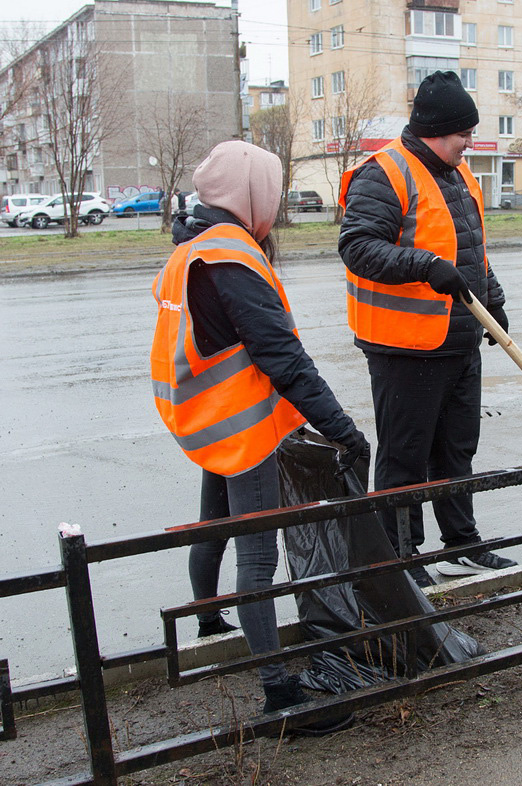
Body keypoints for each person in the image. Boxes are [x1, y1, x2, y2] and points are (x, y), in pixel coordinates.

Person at [151, 140, 369, 733]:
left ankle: (207, 625)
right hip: (241, 424)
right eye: (270, 190)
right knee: (257, 555)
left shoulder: (194, 243)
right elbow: (285, 360)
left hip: (205, 416)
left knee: (214, 523)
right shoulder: (231, 256)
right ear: (250, 193)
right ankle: (279, 697)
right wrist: (345, 431)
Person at [338, 70, 517, 586]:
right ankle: (400, 558)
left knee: (457, 449)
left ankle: (462, 543)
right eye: (464, 135)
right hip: (404, 345)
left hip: (458, 339)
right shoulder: (384, 174)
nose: (469, 143)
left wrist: (493, 300)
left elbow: (470, 249)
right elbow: (358, 248)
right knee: (404, 458)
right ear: (440, 130)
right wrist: (423, 265)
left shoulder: (456, 175)